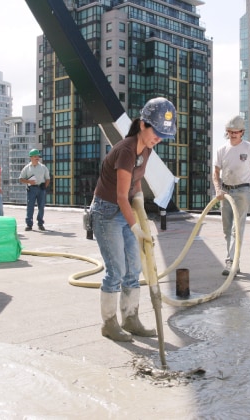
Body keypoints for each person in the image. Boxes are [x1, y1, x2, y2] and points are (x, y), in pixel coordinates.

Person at [91, 97, 176, 342]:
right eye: (156, 132)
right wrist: (136, 226)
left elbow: (135, 181)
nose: (158, 138)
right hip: (106, 213)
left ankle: (131, 319)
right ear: (143, 125)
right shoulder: (127, 150)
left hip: (123, 209)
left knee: (134, 268)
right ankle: (109, 324)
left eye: (163, 134)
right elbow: (119, 196)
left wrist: (138, 200)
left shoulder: (146, 149)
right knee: (116, 269)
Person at [213, 115, 250, 276]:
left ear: (242, 132)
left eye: (236, 132)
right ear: (227, 132)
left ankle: (231, 262)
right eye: (230, 132)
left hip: (242, 191)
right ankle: (234, 261)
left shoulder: (249, 148)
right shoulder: (222, 150)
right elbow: (215, 172)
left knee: (237, 229)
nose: (233, 134)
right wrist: (218, 190)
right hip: (226, 191)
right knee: (227, 229)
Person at [19, 149, 50, 231]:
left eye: (38, 156)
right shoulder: (27, 168)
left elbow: (47, 179)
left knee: (41, 207)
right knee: (30, 207)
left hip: (41, 189)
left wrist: (45, 186)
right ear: (31, 157)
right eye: (35, 156)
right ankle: (29, 224)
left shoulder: (43, 167)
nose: (37, 157)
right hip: (31, 189)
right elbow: (21, 179)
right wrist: (29, 181)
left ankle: (40, 223)